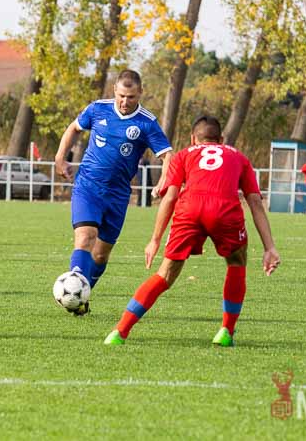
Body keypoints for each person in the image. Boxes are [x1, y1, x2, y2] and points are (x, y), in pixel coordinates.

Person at [103, 115, 281, 347]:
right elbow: (255, 201)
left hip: (190, 210)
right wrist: (269, 247)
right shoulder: (239, 157)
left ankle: (119, 332)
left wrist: (155, 239)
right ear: (221, 139)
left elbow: (171, 197)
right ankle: (226, 332)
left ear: (193, 139)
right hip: (225, 211)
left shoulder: (183, 154)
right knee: (236, 262)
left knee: (164, 274)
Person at [54, 69, 173, 315]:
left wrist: (163, 181)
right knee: (85, 237)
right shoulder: (98, 109)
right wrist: (60, 157)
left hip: (118, 195)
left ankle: (81, 295)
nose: (125, 101)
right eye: (121, 96)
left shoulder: (147, 123)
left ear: (140, 93)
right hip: (88, 187)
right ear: (114, 91)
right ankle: (75, 291)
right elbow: (74, 128)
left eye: (131, 97)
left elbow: (167, 155)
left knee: (100, 255)